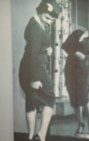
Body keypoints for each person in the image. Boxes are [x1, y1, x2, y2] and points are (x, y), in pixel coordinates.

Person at [19, 0, 61, 141]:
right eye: (47, 18)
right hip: (35, 68)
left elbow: (34, 48)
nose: (49, 22)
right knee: (50, 97)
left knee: (32, 100)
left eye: (52, 20)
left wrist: (45, 49)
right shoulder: (36, 28)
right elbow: (34, 53)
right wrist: (35, 78)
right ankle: (41, 135)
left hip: (27, 67)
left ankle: (31, 137)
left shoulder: (33, 23)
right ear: (41, 11)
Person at [62, 29, 89, 138]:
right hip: (70, 70)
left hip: (84, 70)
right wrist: (75, 53)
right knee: (74, 100)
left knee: (84, 99)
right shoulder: (76, 33)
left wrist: (83, 56)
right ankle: (81, 125)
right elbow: (64, 46)